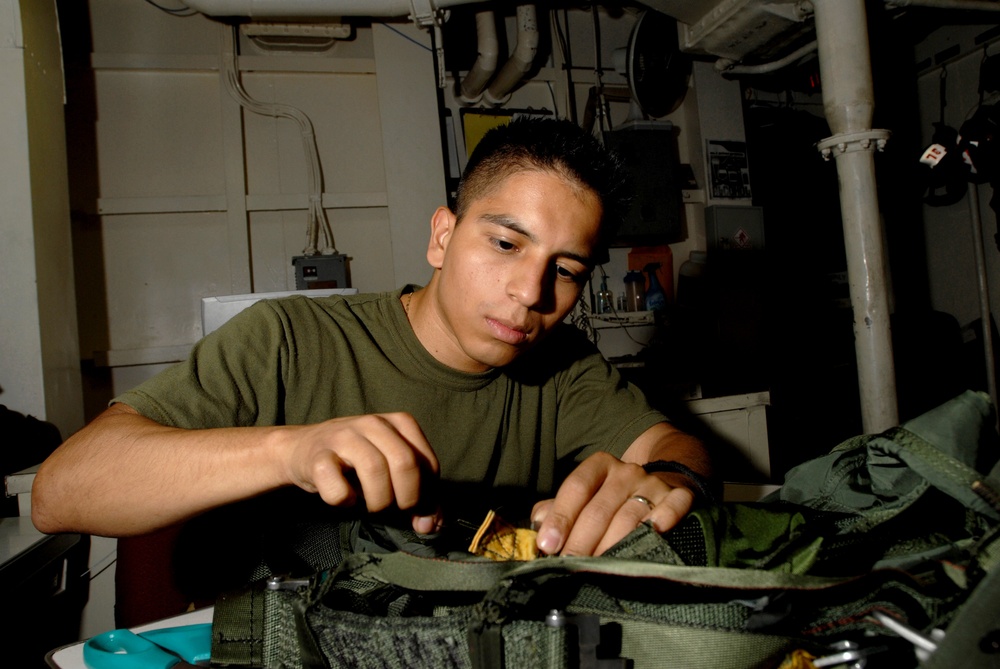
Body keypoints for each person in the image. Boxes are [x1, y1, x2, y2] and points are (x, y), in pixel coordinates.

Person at [32, 117, 711, 563]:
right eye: (505, 243)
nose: (531, 292)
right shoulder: (288, 339)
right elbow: (61, 490)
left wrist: (662, 485)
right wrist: (293, 449)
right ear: (442, 235)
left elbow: (676, 447)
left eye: (565, 271)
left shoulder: (562, 369)